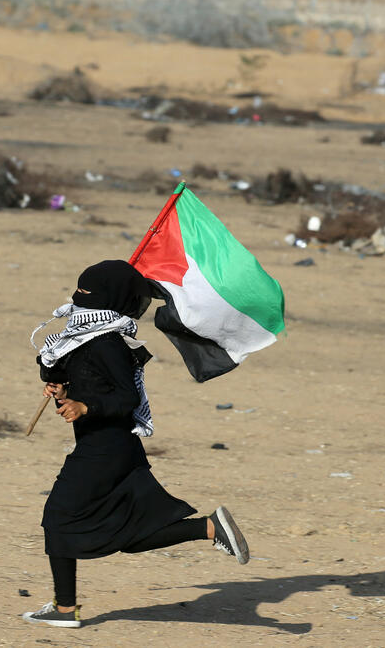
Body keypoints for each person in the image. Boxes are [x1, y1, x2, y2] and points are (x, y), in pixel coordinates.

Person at [23, 260, 249, 629]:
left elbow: (126, 399)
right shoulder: (86, 335)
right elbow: (68, 368)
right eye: (81, 290)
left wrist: (85, 406)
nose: (80, 298)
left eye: (88, 294)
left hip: (106, 449)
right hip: (109, 448)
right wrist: (62, 388)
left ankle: (66, 610)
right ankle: (208, 528)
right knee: (129, 534)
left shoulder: (109, 342)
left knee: (59, 518)